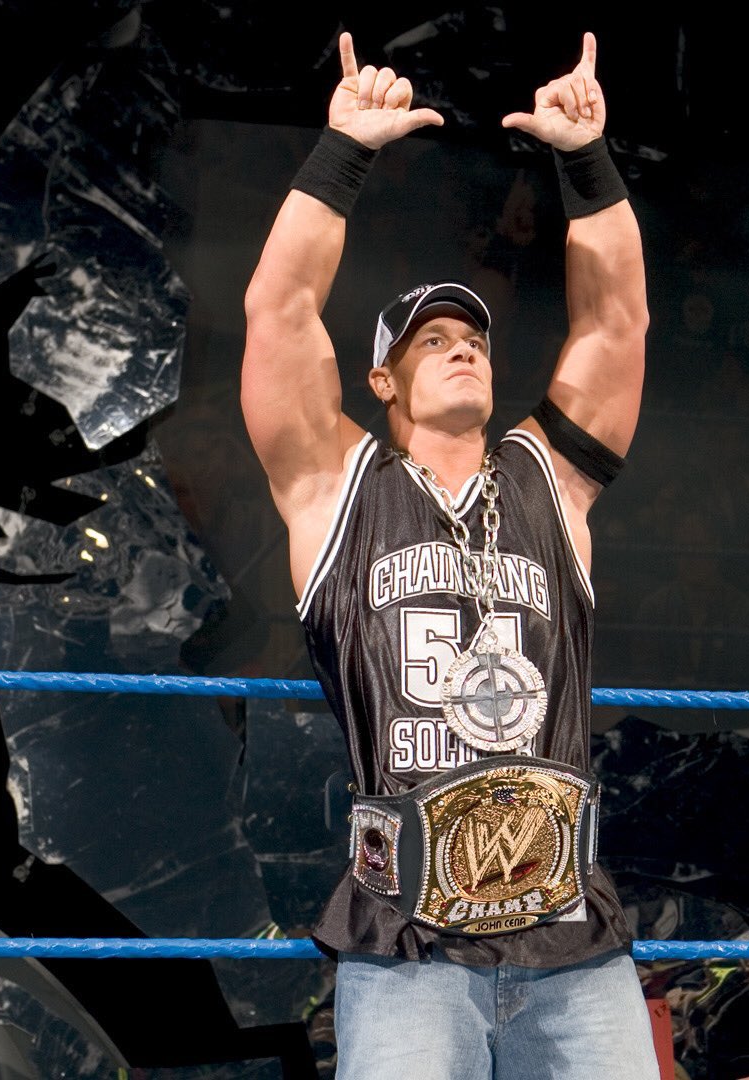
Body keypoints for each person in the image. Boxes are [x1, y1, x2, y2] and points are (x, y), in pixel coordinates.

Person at [241, 29, 658, 1080]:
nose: (463, 345)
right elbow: (279, 314)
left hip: (572, 935)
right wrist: (343, 152)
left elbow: (617, 324)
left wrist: (586, 162)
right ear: (382, 380)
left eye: (472, 337)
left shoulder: (549, 479)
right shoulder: (337, 487)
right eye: (432, 339)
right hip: (407, 945)